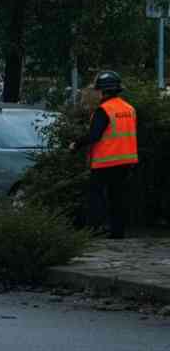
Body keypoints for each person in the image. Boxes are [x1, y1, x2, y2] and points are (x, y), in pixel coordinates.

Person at [71, 71, 139, 239]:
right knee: (118, 196)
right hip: (126, 160)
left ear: (102, 91)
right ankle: (117, 232)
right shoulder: (129, 108)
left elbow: (95, 135)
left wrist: (76, 144)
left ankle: (93, 230)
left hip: (105, 161)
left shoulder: (104, 110)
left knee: (96, 196)